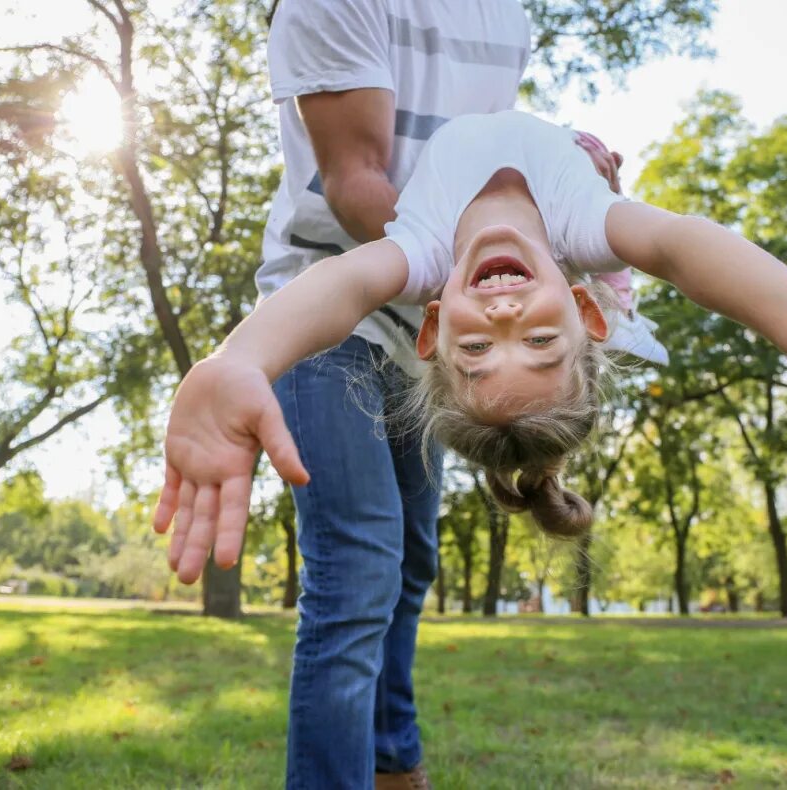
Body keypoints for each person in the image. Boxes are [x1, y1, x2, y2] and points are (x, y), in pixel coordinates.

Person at [154, 102, 787, 641]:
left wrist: (241, 360)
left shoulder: (415, 257)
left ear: (436, 328)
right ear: (588, 310)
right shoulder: (584, 223)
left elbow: (332, 288)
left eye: (475, 350)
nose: (500, 325)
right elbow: (679, 245)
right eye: (542, 345)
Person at [184, 2, 656, 788]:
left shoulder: (505, 17)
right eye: (539, 340)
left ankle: (394, 762)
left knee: (410, 561)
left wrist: (556, 200)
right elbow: (353, 180)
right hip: (329, 302)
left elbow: (491, 160)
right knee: (359, 563)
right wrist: (518, 239)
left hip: (436, 333)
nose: (519, 322)